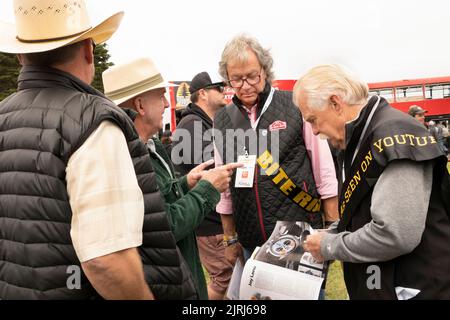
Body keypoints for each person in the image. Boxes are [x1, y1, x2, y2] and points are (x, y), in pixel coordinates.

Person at [0, 0, 198, 300]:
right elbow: (106, 260)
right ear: (88, 50)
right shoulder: (92, 121)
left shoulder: (3, 116)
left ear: (20, 55)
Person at [295, 64, 450, 299]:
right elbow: (362, 211)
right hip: (384, 283)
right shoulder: (357, 136)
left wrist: (329, 245)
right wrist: (333, 232)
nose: (314, 131)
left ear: (335, 103)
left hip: (415, 287)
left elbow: (394, 235)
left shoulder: (391, 133)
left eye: (314, 120)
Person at [102, 58, 241, 300]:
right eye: (160, 96)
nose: (168, 104)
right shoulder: (127, 155)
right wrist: (207, 189)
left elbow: (158, 198)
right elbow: (164, 224)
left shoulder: (148, 146)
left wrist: (186, 183)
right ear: (140, 106)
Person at [213, 34, 339, 265]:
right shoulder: (222, 120)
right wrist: (230, 238)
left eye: (252, 76)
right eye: (236, 79)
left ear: (264, 69)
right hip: (251, 239)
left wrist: (331, 227)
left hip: (300, 232)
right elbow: (224, 186)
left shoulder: (294, 105)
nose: (245, 85)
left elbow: (324, 170)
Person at [172, 71, 233, 300]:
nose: (224, 90)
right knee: (224, 279)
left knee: (230, 280)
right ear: (203, 93)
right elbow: (209, 172)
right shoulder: (192, 125)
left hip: (214, 218)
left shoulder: (204, 123)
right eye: (218, 87)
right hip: (209, 222)